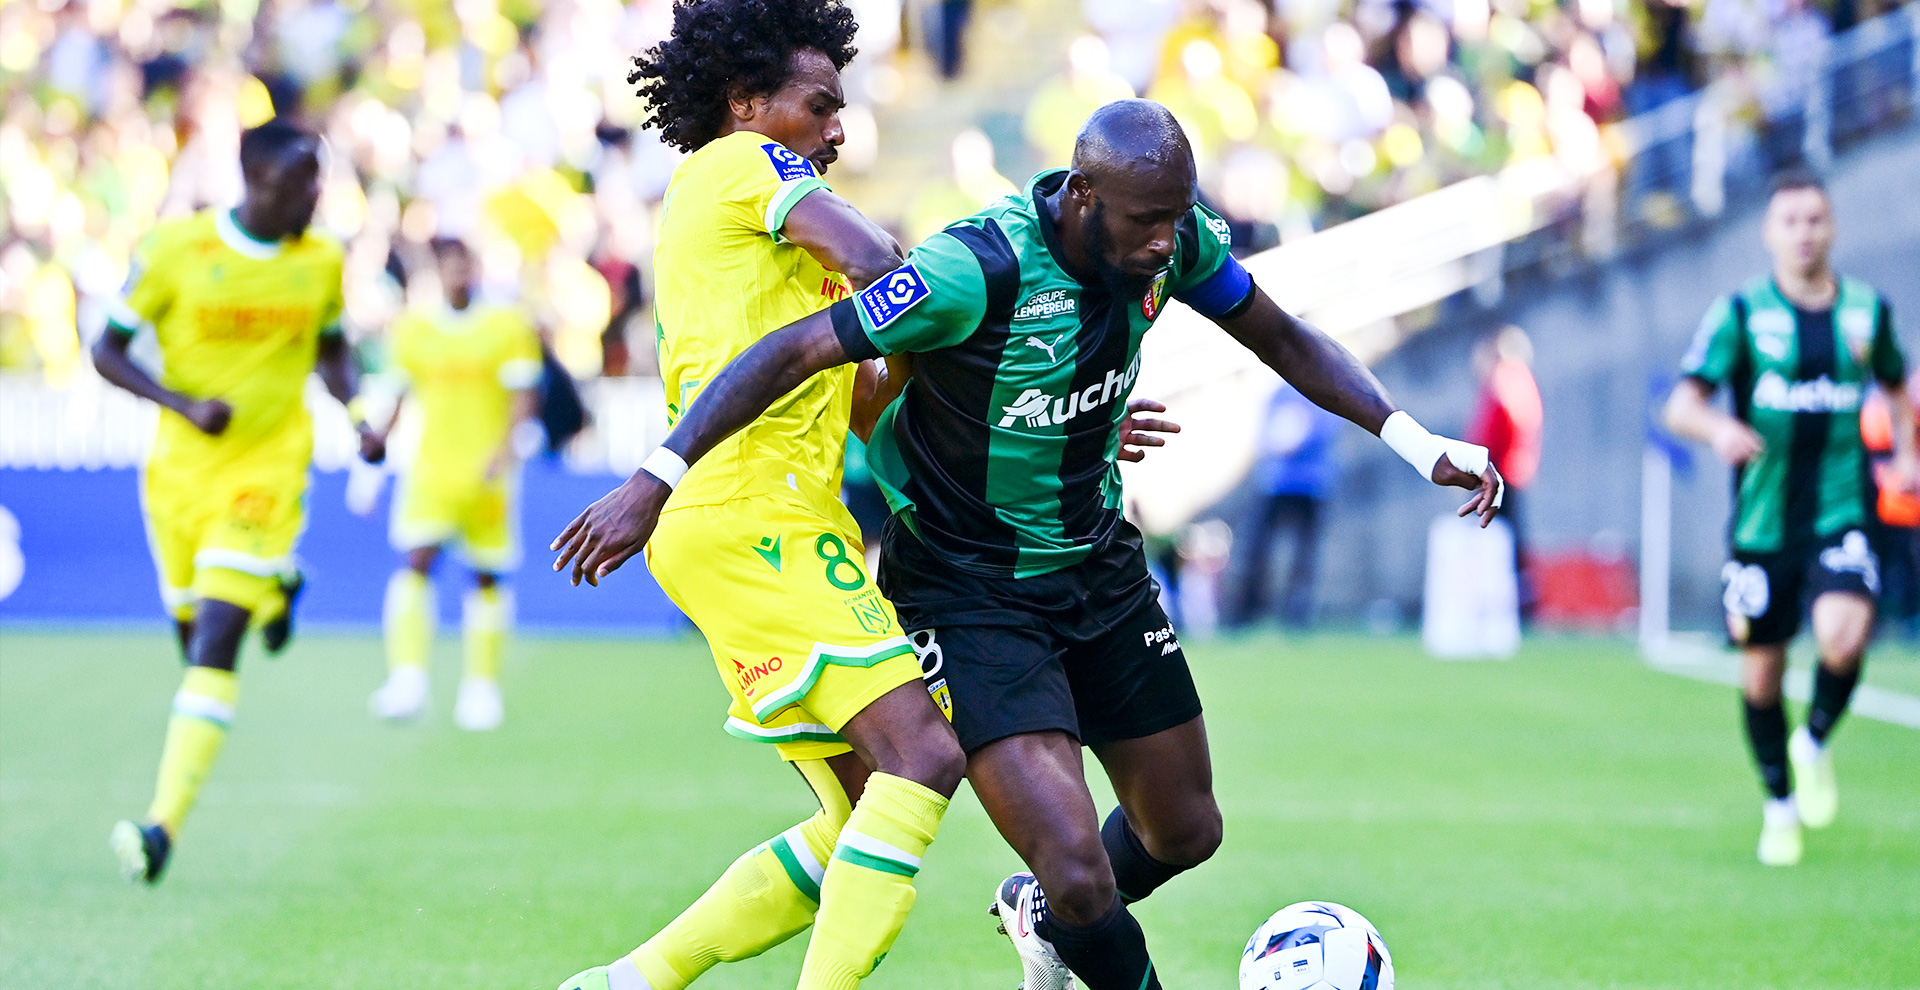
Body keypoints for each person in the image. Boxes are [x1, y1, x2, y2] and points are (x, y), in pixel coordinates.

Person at [552, 99, 1502, 990]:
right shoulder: (973, 268)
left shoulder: (1177, 243)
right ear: (1083, 196)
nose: (1164, 242)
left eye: (1177, 217)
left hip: (1097, 566)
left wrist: (1420, 443)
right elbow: (796, 350)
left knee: (1185, 830)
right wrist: (657, 478)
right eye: (1146, 221)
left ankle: (1039, 921)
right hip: (966, 591)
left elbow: (1284, 338)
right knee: (1079, 871)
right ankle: (1060, 912)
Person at [546, 3, 968, 989]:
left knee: (858, 813)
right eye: (819, 105)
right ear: (744, 103)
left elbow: (872, 402)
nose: (839, 128)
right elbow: (884, 265)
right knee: (924, 756)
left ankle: (629, 982)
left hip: (767, 518)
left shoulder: (773, 256)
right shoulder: (741, 164)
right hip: (753, 513)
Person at [91, 119, 383, 883]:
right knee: (193, 640)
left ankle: (160, 828)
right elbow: (106, 351)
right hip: (179, 477)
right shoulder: (174, 250)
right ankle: (278, 587)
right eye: (302, 181)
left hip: (268, 472)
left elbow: (331, 348)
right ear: (257, 179)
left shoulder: (321, 260)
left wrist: (358, 417)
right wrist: (182, 405)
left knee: (216, 644)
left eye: (320, 179)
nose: (316, 196)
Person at [1664, 169, 1914, 867]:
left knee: (1844, 635)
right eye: (1791, 221)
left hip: (1842, 508)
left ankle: (1815, 739)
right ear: (1769, 232)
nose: (1804, 233)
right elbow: (1681, 405)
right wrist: (1717, 428)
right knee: (1761, 677)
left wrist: (1907, 456)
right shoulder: (1741, 313)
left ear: (1832, 227)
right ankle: (1779, 804)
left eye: (1815, 219)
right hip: (1762, 523)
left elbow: (1900, 390)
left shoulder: (1866, 312)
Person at [365, 237, 543, 731]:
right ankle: (407, 680)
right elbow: (397, 399)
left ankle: (481, 688)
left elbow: (524, 396)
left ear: (475, 267)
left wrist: (505, 452)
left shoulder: (506, 326)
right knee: (415, 563)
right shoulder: (414, 329)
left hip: (488, 474)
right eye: (448, 266)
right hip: (431, 470)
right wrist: (373, 455)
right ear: (435, 272)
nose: (458, 274)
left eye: (465, 264)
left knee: (486, 575)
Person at [1229, 381, 1343, 629]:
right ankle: (1247, 611)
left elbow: (1325, 429)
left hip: (1311, 485)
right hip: (1275, 483)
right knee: (1257, 550)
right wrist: (1277, 441)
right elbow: (1265, 436)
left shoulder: (1325, 389)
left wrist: (1300, 437)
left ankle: (1296, 612)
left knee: (1304, 554)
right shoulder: (1280, 392)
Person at [1465, 326, 1543, 620]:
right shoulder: (1520, 379)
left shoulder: (1505, 378)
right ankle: (1513, 603)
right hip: (1510, 469)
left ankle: (1502, 606)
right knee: (1508, 539)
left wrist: (1475, 464)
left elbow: (1496, 426)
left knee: (1497, 540)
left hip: (1498, 471)